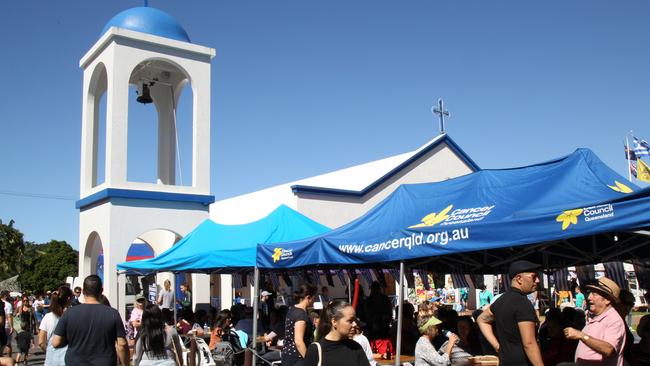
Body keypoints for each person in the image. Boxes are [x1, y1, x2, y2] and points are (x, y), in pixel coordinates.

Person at [477, 260, 543, 366]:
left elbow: (481, 319)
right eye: (534, 277)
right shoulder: (523, 303)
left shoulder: (500, 301)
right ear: (519, 279)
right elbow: (529, 343)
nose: (538, 280)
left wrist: (498, 347)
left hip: (505, 361)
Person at [52, 275, 129, 366]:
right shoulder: (112, 313)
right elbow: (122, 344)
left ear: (83, 291)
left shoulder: (69, 313)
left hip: (75, 362)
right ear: (101, 290)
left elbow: (56, 342)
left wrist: (71, 341)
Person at [563, 276, 626, 366]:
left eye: (594, 294)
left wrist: (581, 335)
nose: (589, 297)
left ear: (607, 300)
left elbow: (608, 349)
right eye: (590, 293)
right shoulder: (595, 316)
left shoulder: (614, 320)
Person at [303, 300, 370, 366]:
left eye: (355, 320)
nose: (355, 324)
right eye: (350, 321)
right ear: (334, 321)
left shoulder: (355, 347)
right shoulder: (315, 350)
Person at [282, 284, 318, 366]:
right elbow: (299, 341)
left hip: (288, 355)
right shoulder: (301, 315)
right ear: (308, 297)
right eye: (314, 298)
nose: (314, 301)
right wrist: (309, 361)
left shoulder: (292, 309)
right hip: (297, 358)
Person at [38, 286, 73, 366]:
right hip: (68, 358)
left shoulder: (47, 317)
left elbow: (41, 342)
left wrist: (48, 351)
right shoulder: (72, 316)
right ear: (68, 299)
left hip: (51, 359)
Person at [0, 291, 14, 358]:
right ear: (5, 296)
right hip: (6, 326)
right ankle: (9, 360)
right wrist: (11, 327)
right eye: (8, 295)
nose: (9, 297)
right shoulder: (8, 304)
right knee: (8, 344)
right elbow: (9, 316)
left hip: (1, 326)